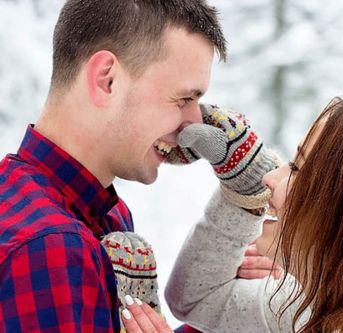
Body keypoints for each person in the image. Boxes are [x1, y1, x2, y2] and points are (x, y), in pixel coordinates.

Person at [122, 99, 343, 333]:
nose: (270, 178)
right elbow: (197, 300)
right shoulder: (308, 307)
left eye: (298, 169)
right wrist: (241, 190)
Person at [0, 0, 227, 332]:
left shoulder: (103, 213)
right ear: (107, 79)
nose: (194, 123)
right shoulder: (51, 250)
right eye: (183, 99)